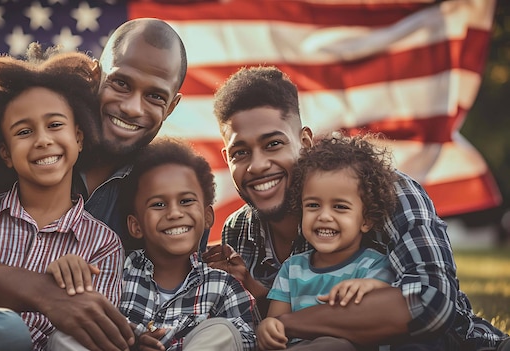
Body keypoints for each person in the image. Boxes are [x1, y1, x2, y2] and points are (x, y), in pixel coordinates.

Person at [0, 17, 186, 351]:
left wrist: (126, 336)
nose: (133, 107)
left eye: (156, 97)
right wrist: (45, 293)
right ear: (95, 75)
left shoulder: (166, 190)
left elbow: (167, 294)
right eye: (121, 84)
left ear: (173, 105)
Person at [201, 66, 510, 350]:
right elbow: (265, 329)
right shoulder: (240, 230)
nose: (257, 166)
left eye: (273, 144)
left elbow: (430, 303)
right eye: (240, 152)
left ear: (304, 141)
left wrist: (287, 323)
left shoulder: (384, 192)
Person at [46, 138, 258, 351]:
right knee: (65, 336)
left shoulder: (223, 285)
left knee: (223, 331)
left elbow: (247, 341)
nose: (174, 213)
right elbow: (88, 318)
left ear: (207, 216)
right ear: (135, 225)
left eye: (186, 201)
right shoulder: (116, 269)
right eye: (158, 204)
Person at [256, 132, 397, 351]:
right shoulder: (292, 269)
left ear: (366, 220)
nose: (324, 216)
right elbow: (277, 320)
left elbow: (389, 305)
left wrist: (370, 286)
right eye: (313, 205)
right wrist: (267, 327)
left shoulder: (373, 266)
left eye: (340, 207)